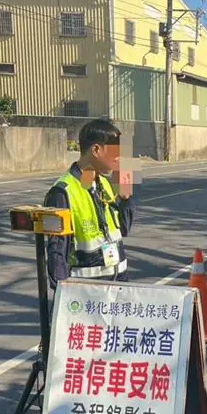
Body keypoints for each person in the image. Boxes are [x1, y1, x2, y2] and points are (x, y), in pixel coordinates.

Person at [44, 118, 134, 291]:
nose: (119, 158)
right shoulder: (62, 192)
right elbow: (57, 251)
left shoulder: (105, 184)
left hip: (119, 286)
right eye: (115, 152)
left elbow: (124, 229)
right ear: (96, 150)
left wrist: (126, 199)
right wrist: (63, 293)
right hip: (88, 292)